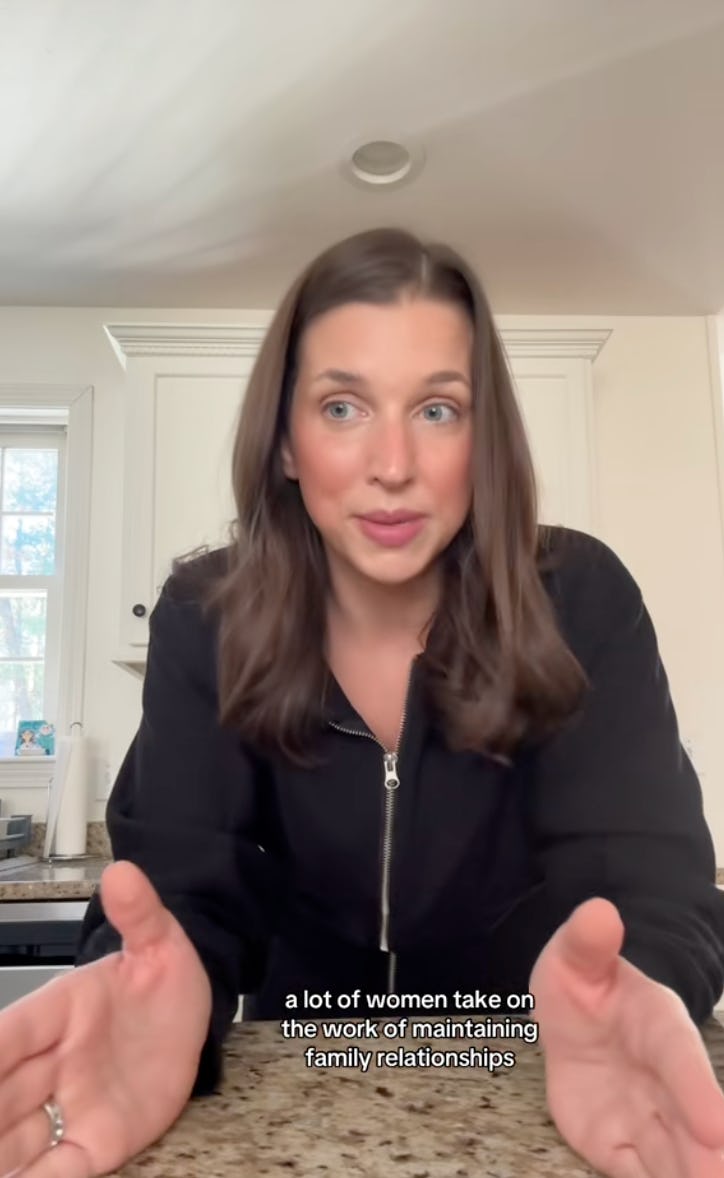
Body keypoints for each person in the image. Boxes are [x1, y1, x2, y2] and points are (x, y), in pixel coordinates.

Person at [2, 227, 724, 1177]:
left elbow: (648, 880)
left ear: (484, 440)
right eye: (342, 406)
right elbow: (183, 886)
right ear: (288, 444)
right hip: (296, 1068)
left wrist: (643, 986)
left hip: (529, 1069)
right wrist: (155, 992)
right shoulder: (207, 617)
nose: (393, 464)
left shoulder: (580, 599)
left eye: (438, 409)